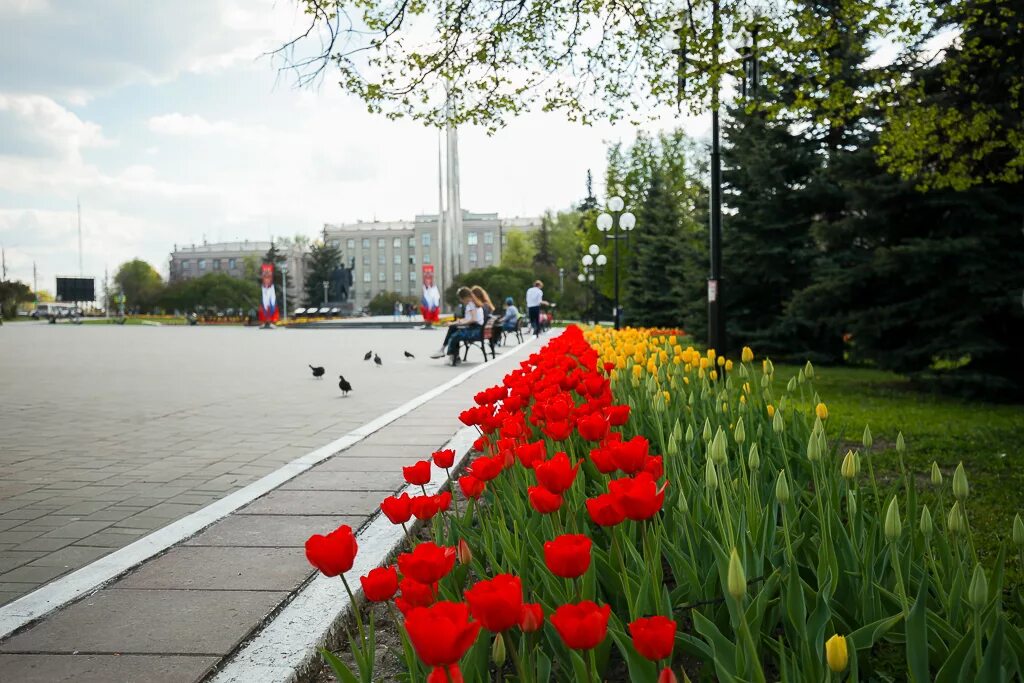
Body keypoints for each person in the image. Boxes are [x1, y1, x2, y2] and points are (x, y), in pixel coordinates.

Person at [431, 287, 483, 365]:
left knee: (454, 333)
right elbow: (467, 319)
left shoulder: (471, 304)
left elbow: (473, 319)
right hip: (476, 329)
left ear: (465, 297)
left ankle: (449, 354)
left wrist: (456, 323)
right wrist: (455, 323)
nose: (460, 301)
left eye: (461, 299)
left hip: (474, 331)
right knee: (453, 327)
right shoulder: (474, 303)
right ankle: (449, 354)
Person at [257, 263, 279, 329]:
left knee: (272, 305)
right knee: (264, 307)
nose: (266, 279)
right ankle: (263, 322)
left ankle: (272, 322)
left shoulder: (272, 286)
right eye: (265, 276)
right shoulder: (263, 286)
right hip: (265, 292)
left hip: (270, 292)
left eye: (268, 276)